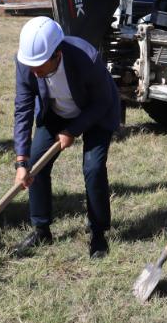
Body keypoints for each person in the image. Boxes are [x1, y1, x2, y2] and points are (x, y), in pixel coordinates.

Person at [11, 17, 119, 259]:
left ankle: (98, 233)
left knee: (93, 167)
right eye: (31, 66)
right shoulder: (26, 63)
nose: (34, 72)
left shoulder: (86, 58)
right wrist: (21, 161)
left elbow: (102, 101)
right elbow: (23, 109)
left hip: (96, 112)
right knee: (35, 164)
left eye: (40, 66)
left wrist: (73, 130)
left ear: (57, 54)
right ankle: (41, 229)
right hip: (55, 112)